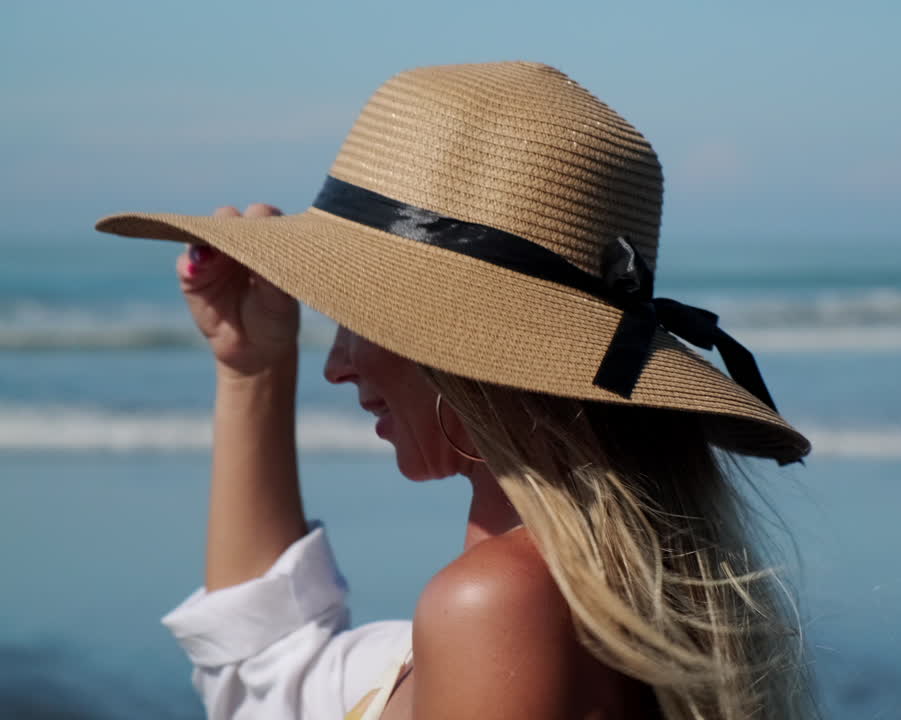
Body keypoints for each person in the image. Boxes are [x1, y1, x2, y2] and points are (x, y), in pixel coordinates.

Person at [97, 61, 815, 720]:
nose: (337, 365)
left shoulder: (496, 605)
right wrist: (251, 368)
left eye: (359, 311)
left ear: (467, 353)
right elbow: (267, 672)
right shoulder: (570, 600)